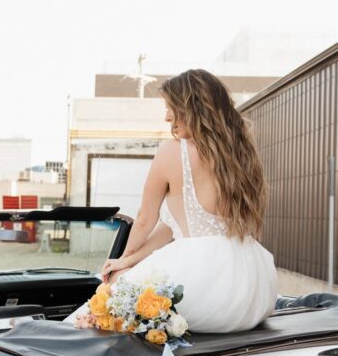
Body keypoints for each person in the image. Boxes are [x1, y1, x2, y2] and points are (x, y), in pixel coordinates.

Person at [98, 68, 277, 332]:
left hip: (203, 284)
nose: (166, 116)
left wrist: (121, 263)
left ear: (191, 106)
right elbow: (174, 227)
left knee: (110, 290)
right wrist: (129, 261)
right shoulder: (241, 155)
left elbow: (146, 219)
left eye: (171, 107)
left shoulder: (172, 151)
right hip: (252, 290)